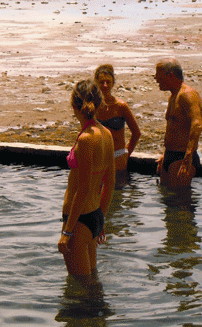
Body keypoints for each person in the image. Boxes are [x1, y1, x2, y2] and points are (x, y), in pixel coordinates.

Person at [58, 79, 115, 283]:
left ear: (74, 105)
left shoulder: (85, 139)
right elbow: (110, 182)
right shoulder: (106, 134)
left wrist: (67, 231)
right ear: (98, 105)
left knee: (79, 288)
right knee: (91, 284)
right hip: (94, 216)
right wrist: (102, 219)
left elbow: (82, 189)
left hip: (78, 221)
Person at [154, 58, 202, 189]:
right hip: (170, 155)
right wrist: (165, 155)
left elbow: (197, 124)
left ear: (170, 75)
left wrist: (188, 157)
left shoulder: (187, 94)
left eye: (158, 74)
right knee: (167, 199)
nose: (155, 78)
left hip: (182, 157)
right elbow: (175, 128)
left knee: (181, 203)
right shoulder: (173, 96)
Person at [93, 64, 141, 174]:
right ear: (96, 83)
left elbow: (136, 133)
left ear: (113, 83)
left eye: (108, 82)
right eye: (101, 82)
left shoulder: (121, 106)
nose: (105, 85)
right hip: (98, 156)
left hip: (118, 156)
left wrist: (126, 153)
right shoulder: (92, 106)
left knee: (118, 189)